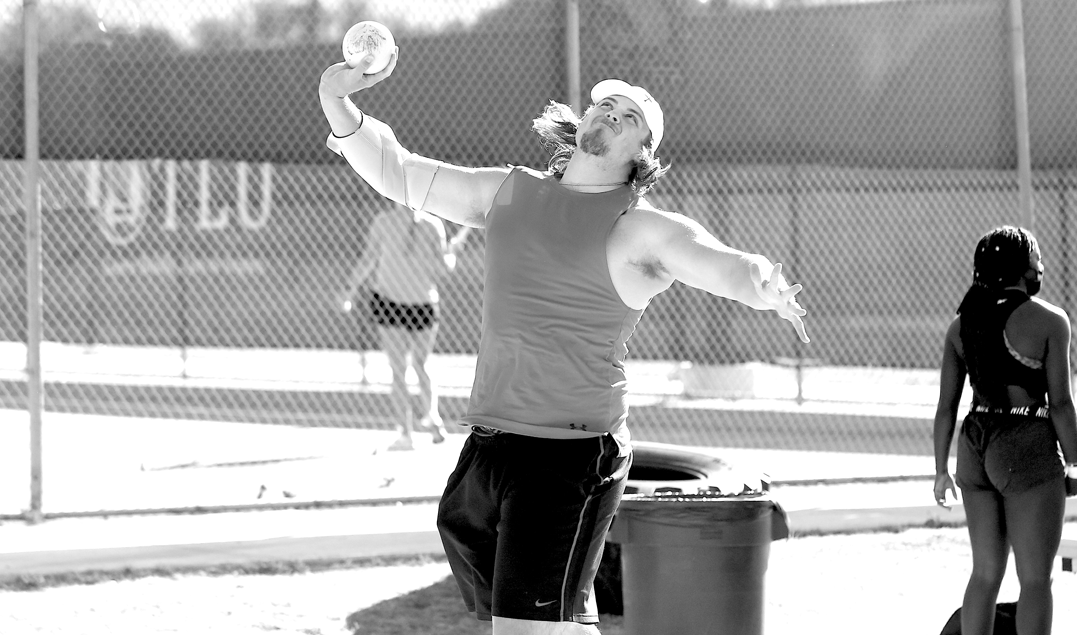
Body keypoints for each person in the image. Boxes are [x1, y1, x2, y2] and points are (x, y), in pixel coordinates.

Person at [318, 51, 809, 634]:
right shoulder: (508, 193)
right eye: (605, 103)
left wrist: (763, 283)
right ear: (582, 122)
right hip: (490, 445)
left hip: (569, 455)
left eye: (630, 115)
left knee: (522, 627)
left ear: (641, 156)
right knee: (541, 610)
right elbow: (398, 171)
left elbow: (715, 261)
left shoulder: (637, 227)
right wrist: (336, 99)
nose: (611, 112)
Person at [932, 226, 1077, 635]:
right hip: (1024, 443)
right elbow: (1062, 404)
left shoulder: (960, 325)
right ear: (1023, 269)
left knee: (984, 574)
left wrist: (940, 470)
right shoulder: (1050, 320)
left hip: (973, 444)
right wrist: (1075, 466)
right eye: (1037, 260)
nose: (1041, 267)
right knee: (1036, 578)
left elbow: (946, 407)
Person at [340, 201, 471, 450]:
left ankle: (408, 432)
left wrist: (350, 289)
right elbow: (443, 269)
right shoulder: (433, 225)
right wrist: (452, 254)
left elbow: (369, 259)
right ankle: (430, 420)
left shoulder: (388, 222)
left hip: (401, 304)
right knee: (421, 364)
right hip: (412, 303)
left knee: (399, 369)